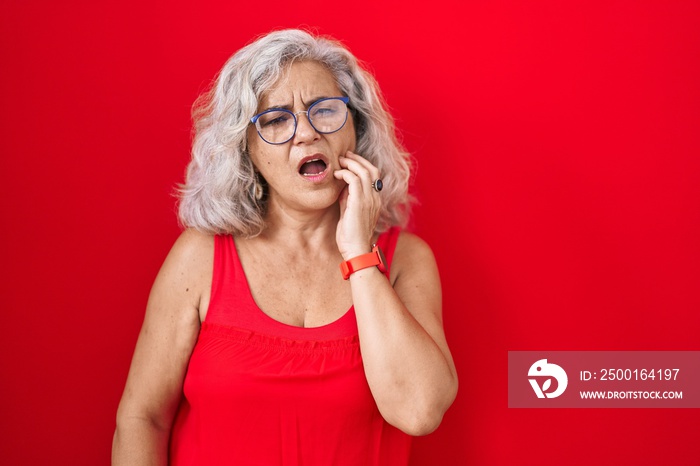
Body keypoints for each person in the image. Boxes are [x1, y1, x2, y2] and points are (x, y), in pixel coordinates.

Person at [112, 28, 457, 466]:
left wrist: (359, 253)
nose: (307, 134)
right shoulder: (199, 257)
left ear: (357, 128)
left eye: (324, 111)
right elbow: (143, 418)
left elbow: (419, 411)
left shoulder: (406, 259)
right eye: (276, 119)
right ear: (247, 151)